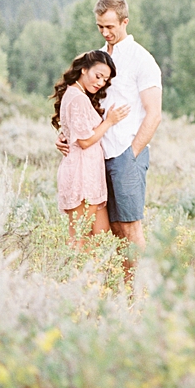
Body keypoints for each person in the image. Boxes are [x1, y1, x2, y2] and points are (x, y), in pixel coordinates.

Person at [57, 0, 162, 282]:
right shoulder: (98, 59)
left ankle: (138, 292)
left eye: (110, 27)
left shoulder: (142, 60)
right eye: (100, 27)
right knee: (110, 231)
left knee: (129, 228)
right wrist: (65, 135)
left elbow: (154, 115)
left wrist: (132, 153)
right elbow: (78, 103)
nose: (105, 33)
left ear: (125, 22)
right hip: (94, 158)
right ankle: (117, 291)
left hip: (125, 155)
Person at [50, 50, 129, 248]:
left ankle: (95, 279)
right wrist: (109, 121)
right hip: (81, 174)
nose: (101, 83)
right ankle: (74, 279)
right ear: (84, 70)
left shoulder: (79, 95)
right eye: (98, 76)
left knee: (100, 238)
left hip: (90, 174)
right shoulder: (77, 97)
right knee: (80, 237)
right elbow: (84, 141)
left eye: (105, 79)